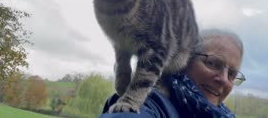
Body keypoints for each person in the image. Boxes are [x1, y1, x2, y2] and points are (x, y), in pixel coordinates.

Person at [100, 29, 246, 118]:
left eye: (232, 74)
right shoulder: (143, 106)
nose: (225, 80)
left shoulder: (219, 114)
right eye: (213, 63)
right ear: (184, 60)